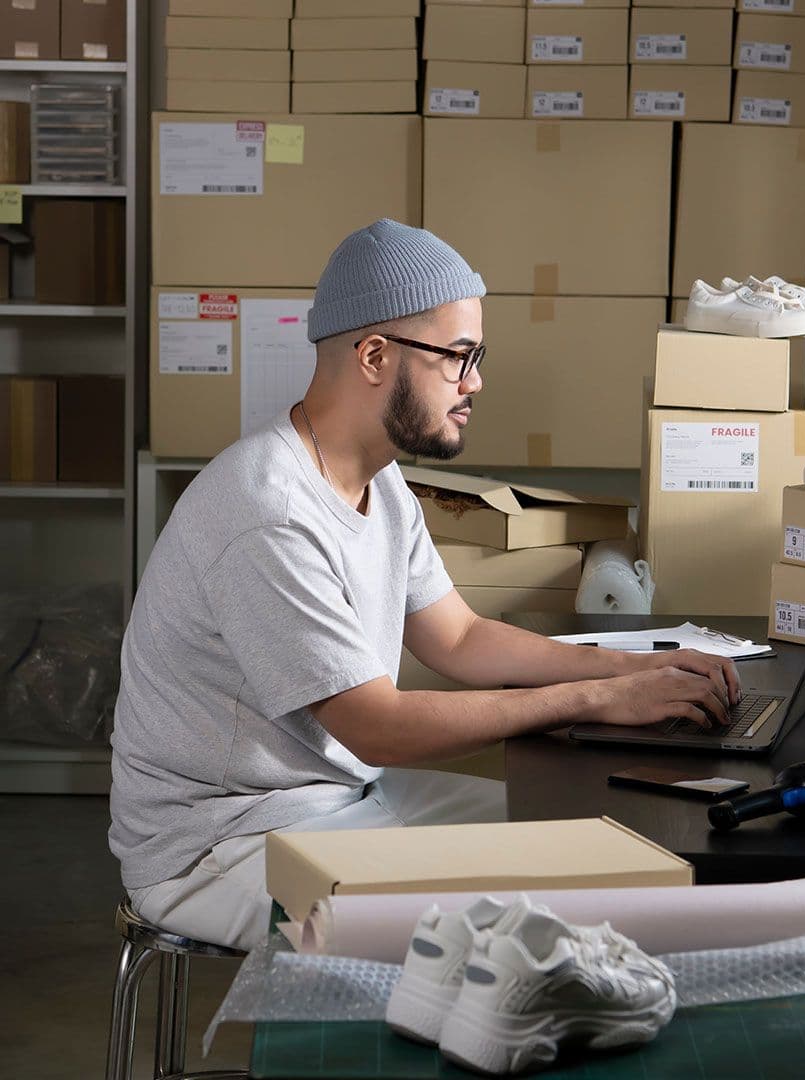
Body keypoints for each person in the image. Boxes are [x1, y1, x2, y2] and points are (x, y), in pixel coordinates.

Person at [109, 220, 740, 951]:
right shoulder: (268, 512)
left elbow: (460, 638)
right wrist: (598, 699)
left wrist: (636, 669)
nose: (476, 382)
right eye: (458, 357)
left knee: (605, 855)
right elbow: (379, 726)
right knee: (524, 935)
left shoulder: (380, 481)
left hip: (343, 795)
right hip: (225, 845)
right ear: (374, 355)